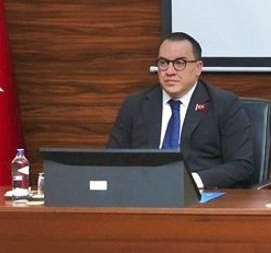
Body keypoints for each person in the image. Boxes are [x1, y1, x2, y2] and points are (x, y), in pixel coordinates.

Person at [107, 32, 254, 188]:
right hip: (144, 189)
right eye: (163, 63)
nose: (170, 71)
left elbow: (242, 164)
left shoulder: (224, 104)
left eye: (179, 63)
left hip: (200, 193)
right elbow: (112, 159)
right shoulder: (135, 104)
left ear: (198, 68)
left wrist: (192, 182)